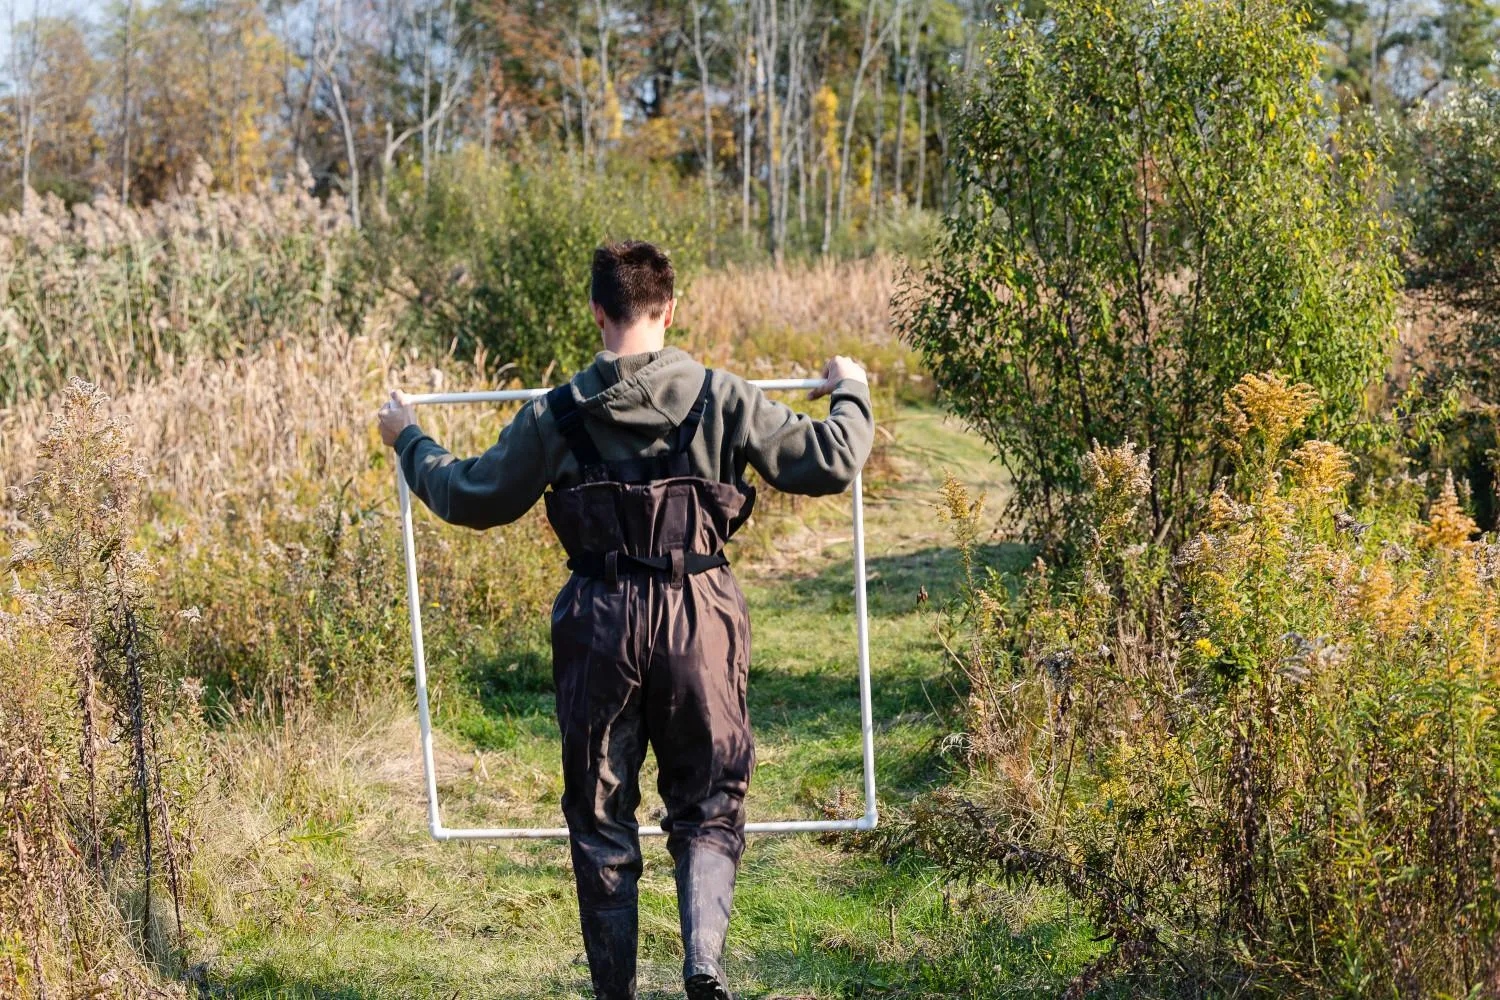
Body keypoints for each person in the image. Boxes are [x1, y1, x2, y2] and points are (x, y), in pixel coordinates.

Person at [377, 241, 873, 1000]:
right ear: (669, 310)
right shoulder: (726, 396)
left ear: (598, 313)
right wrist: (851, 389)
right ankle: (703, 959)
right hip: (699, 618)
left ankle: (616, 994)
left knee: (602, 812)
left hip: (599, 623)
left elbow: (472, 494)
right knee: (708, 799)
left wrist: (409, 438)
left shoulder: (555, 414)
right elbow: (833, 459)